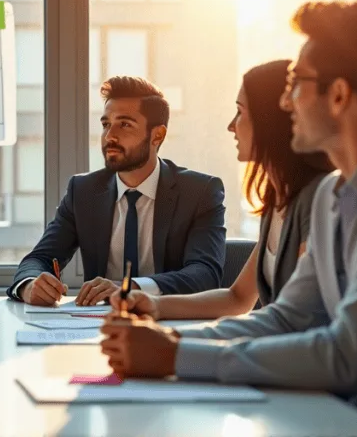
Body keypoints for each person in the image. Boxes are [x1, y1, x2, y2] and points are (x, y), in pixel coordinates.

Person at [101, 0, 357, 418]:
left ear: (339, 95)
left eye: (296, 82)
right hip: (341, 417)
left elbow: (346, 353)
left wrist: (177, 358)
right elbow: (286, 319)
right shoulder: (330, 195)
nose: (285, 103)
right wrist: (174, 347)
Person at [121, 60, 334, 320]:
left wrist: (183, 346)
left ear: (270, 120)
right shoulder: (276, 200)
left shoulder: (314, 200)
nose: (231, 126)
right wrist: (156, 306)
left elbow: (298, 318)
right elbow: (238, 298)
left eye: (240, 112)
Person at [8, 76, 227, 306]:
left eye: (124, 124)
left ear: (157, 135)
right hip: (98, 327)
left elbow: (205, 274)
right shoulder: (83, 192)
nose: (109, 136)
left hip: (171, 324)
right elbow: (39, 259)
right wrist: (30, 285)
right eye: (105, 124)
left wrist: (131, 288)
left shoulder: (200, 192)